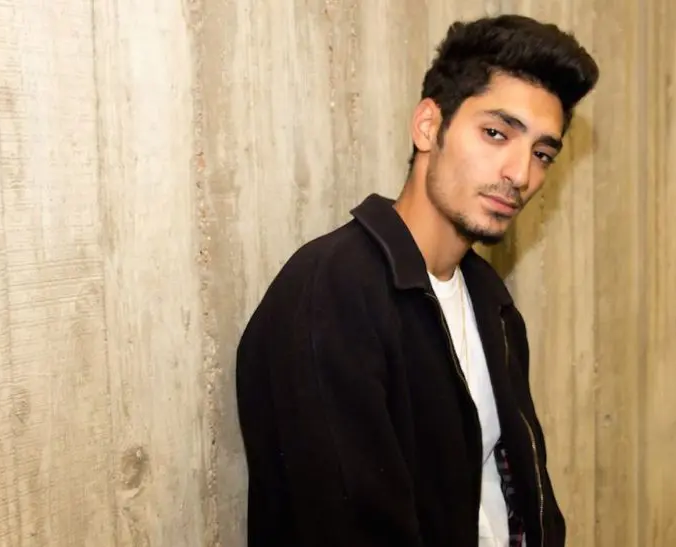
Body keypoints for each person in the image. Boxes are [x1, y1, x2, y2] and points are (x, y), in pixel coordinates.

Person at [235, 13, 598, 547]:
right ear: (429, 125)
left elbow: (520, 495)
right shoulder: (334, 292)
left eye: (541, 153)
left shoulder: (489, 301)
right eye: (496, 133)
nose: (520, 174)